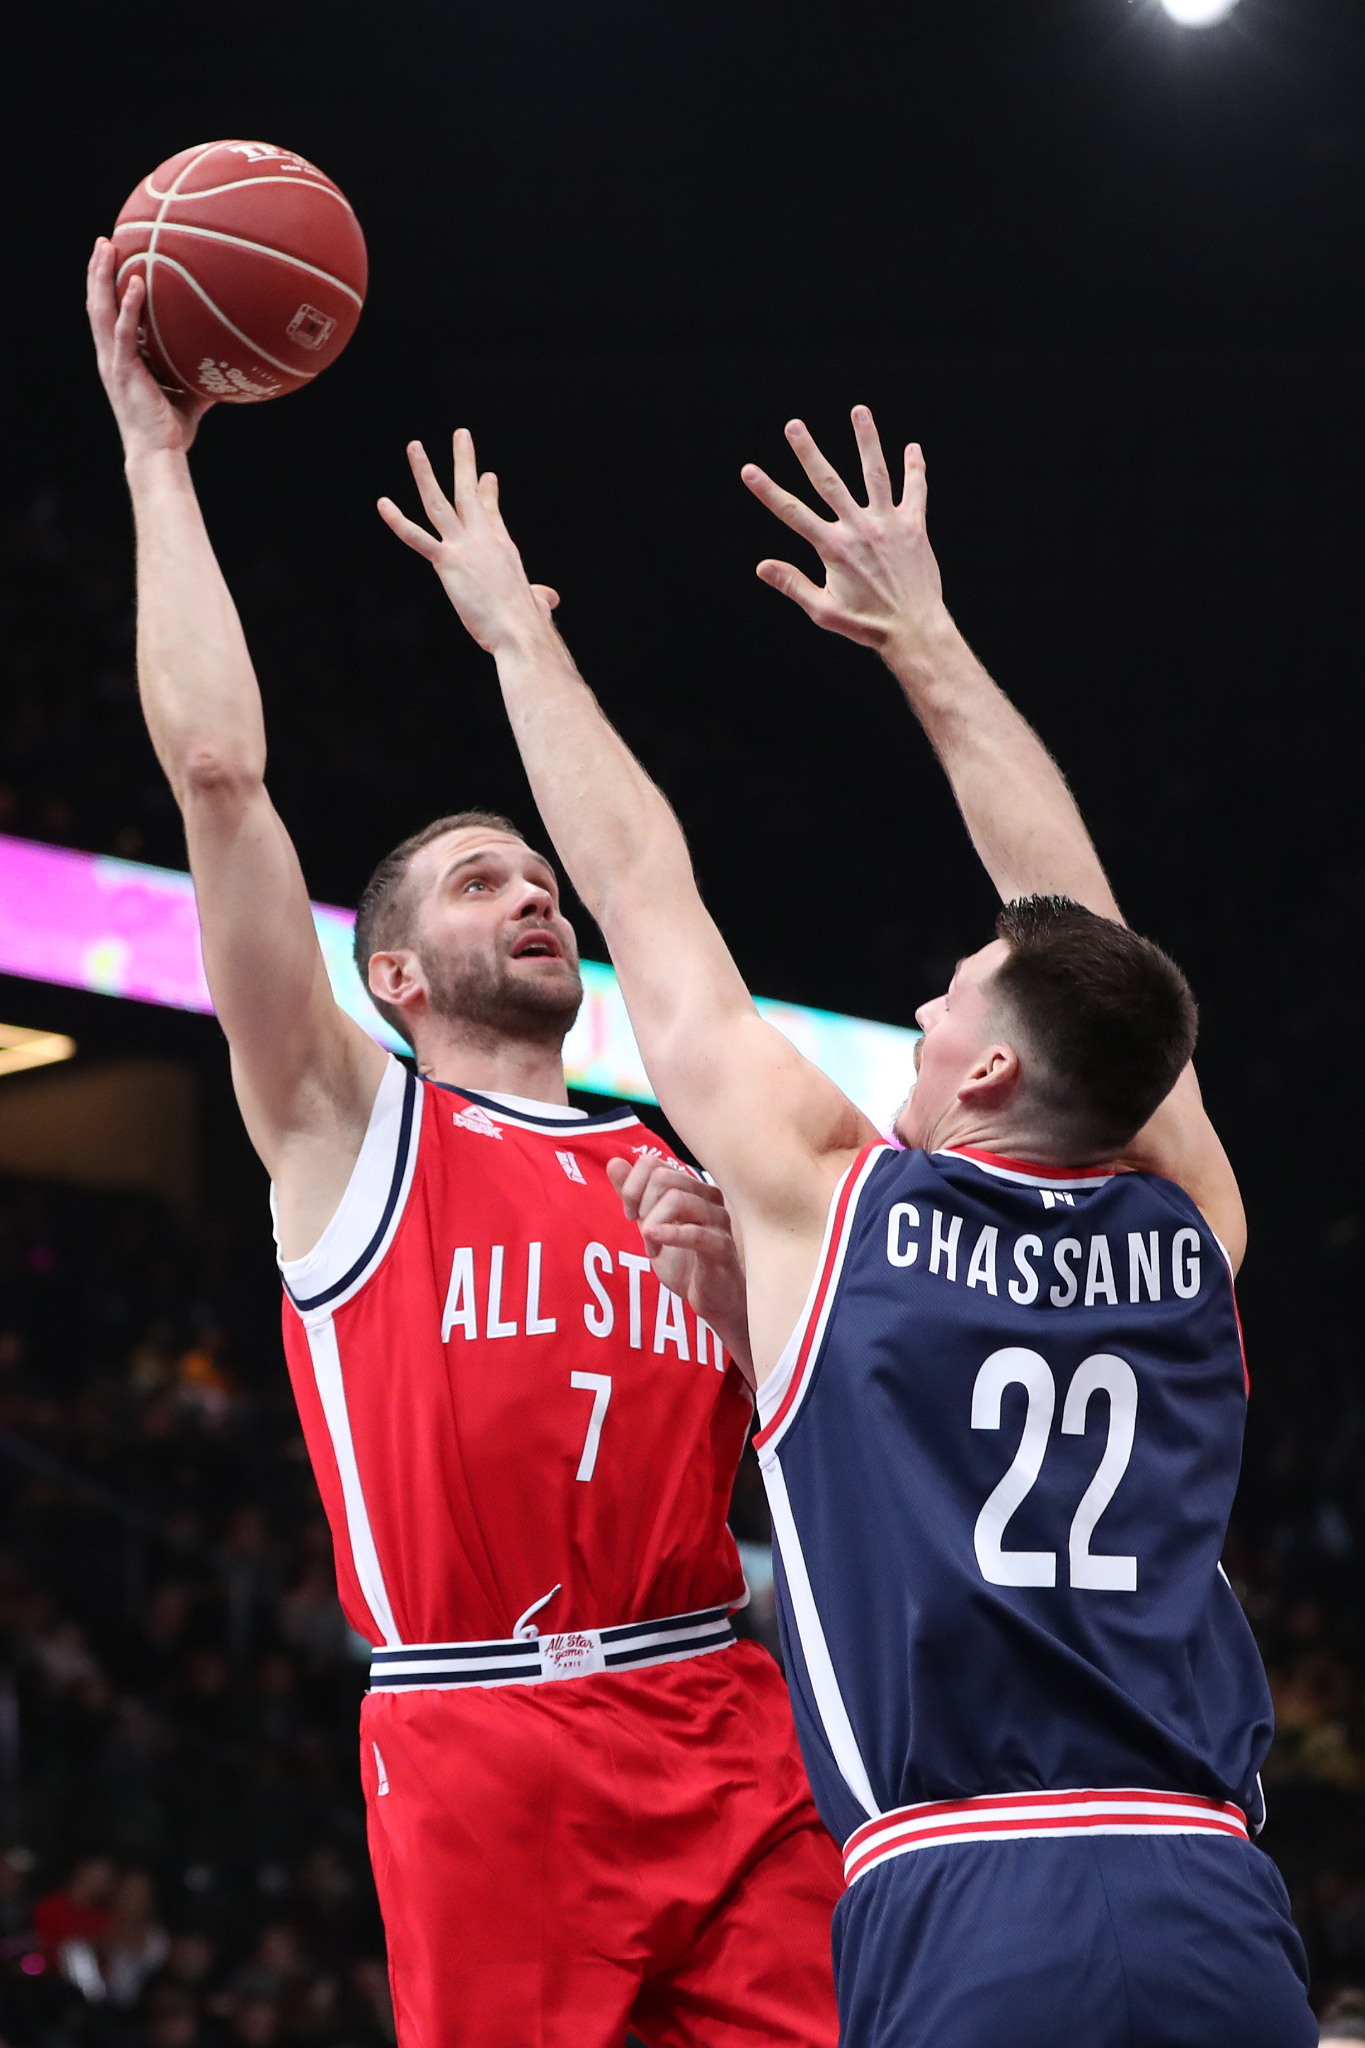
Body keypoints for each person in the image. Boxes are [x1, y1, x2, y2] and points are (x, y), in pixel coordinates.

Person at [378, 407, 1317, 2046]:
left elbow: (645, 906)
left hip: (963, 1896)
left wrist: (516, 634)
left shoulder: (840, 1205)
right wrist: (930, 644)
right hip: (1209, 1894)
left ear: (996, 1072)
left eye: (947, 1004)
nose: (919, 1003)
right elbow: (1082, 929)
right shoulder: (1191, 1229)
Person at [85, 240, 844, 2048]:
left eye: (539, 873)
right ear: (397, 969)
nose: (535, 893)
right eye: (481, 880)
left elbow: (818, 1427)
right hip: (485, 1729)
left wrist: (749, 1311)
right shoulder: (344, 1123)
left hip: (719, 1714)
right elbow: (218, 784)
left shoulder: (679, 1152)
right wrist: (156, 461)